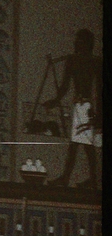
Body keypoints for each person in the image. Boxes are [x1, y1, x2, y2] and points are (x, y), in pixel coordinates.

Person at [45, 28, 101, 187]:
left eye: (80, 41)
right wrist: (55, 100)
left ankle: (72, 178)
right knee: (82, 144)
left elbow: (99, 89)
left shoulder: (94, 62)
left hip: (86, 106)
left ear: (87, 43)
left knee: (80, 144)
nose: (77, 43)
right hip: (80, 106)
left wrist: (98, 114)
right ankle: (90, 179)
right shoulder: (73, 60)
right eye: (77, 41)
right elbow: (65, 86)